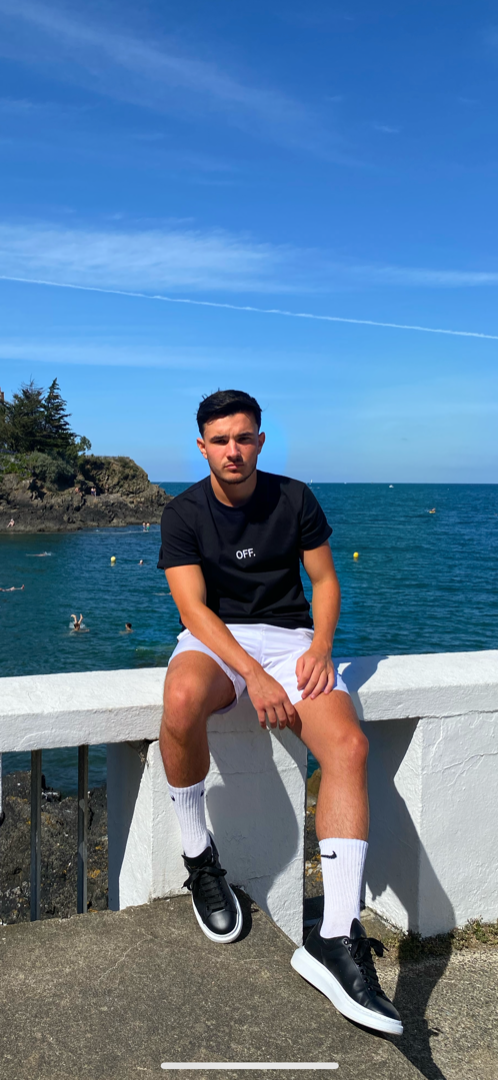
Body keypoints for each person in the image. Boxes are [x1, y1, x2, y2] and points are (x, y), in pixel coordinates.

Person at [157, 389, 402, 1036]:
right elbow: (193, 611)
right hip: (217, 640)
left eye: (244, 438)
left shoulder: (295, 498)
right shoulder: (183, 513)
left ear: (260, 441)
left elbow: (324, 581)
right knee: (180, 699)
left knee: (348, 748)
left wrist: (320, 647)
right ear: (202, 446)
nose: (233, 450)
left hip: (293, 640)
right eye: (220, 440)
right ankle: (199, 859)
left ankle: (336, 937)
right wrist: (252, 675)